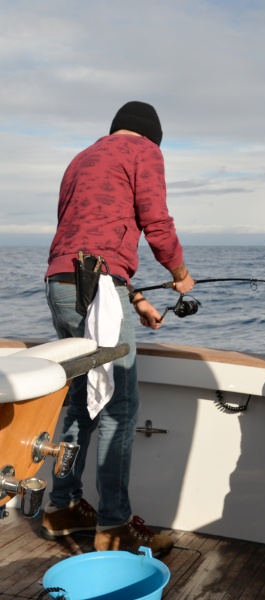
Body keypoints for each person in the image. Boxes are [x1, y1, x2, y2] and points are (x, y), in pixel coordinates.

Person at [41, 101, 194, 557]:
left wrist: (138, 299)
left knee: (78, 399)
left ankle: (61, 506)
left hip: (61, 283)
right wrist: (180, 272)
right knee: (118, 406)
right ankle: (114, 526)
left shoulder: (81, 159)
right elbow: (156, 220)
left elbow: (87, 237)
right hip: (100, 287)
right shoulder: (143, 151)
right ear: (151, 136)